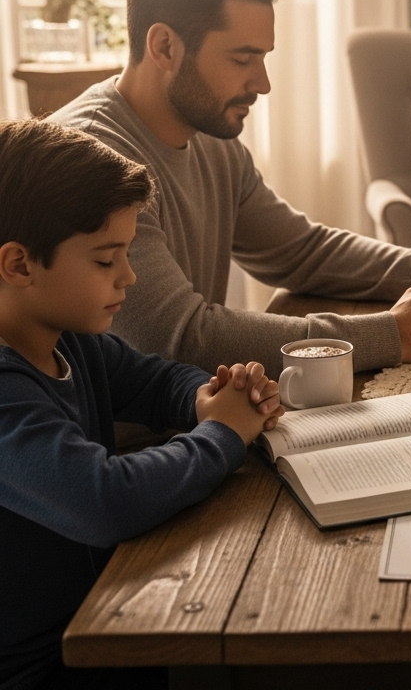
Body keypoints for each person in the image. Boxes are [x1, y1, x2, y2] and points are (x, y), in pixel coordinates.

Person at [52, 0, 411, 378]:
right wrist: (394, 335)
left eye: (263, 58)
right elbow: (181, 338)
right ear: (164, 46)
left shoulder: (212, 140)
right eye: (242, 59)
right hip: (123, 454)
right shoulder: (93, 160)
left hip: (193, 421)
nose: (262, 84)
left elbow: (302, 252)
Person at [0, 119, 284, 690]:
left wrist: (208, 396)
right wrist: (222, 434)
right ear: (20, 264)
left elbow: (154, 381)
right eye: (106, 261)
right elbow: (104, 500)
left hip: (105, 618)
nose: (128, 276)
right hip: (45, 666)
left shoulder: (70, 339)